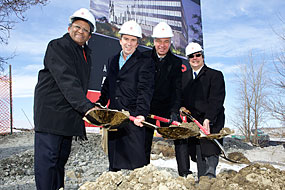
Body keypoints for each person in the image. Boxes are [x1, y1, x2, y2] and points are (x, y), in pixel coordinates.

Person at [33, 8, 96, 190]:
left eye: (85, 30)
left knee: (59, 161)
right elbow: (66, 79)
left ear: (89, 36)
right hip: (52, 115)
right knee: (48, 162)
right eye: (77, 27)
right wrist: (86, 107)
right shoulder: (58, 46)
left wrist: (91, 105)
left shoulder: (85, 54)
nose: (80, 31)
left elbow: (79, 85)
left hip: (68, 116)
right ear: (69, 28)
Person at [95, 20, 155, 171]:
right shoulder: (112, 60)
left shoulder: (145, 62)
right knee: (114, 160)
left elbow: (145, 90)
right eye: (126, 39)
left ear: (137, 43)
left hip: (133, 117)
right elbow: (107, 84)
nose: (129, 43)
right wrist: (101, 103)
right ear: (120, 40)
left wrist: (141, 113)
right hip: (114, 117)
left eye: (133, 40)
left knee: (136, 163)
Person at [181, 42, 226, 179]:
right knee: (197, 151)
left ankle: (210, 175)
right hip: (193, 121)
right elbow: (179, 97)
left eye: (198, 55)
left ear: (202, 56)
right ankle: (203, 179)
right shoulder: (184, 78)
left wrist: (209, 118)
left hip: (211, 118)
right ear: (188, 59)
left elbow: (216, 99)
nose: (195, 58)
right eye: (191, 56)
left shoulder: (215, 75)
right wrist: (181, 108)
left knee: (209, 148)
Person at [143, 22, 183, 172]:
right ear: (154, 41)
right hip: (147, 107)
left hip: (166, 107)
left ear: (170, 42)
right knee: (143, 140)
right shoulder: (144, 58)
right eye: (159, 41)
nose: (162, 45)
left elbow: (177, 90)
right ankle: (142, 169)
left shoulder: (176, 62)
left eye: (166, 41)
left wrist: (174, 111)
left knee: (180, 136)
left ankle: (184, 171)